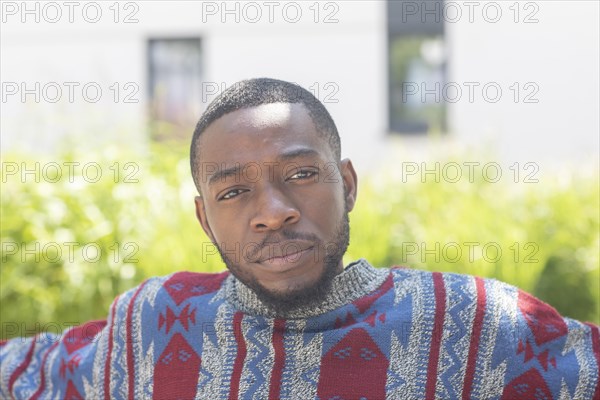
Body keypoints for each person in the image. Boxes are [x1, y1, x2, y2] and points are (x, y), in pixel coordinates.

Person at [1, 78, 598, 400]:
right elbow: (28, 371)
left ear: (346, 184)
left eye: (301, 175)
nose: (273, 213)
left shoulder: (472, 324)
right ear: (205, 220)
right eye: (233, 192)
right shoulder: (152, 324)